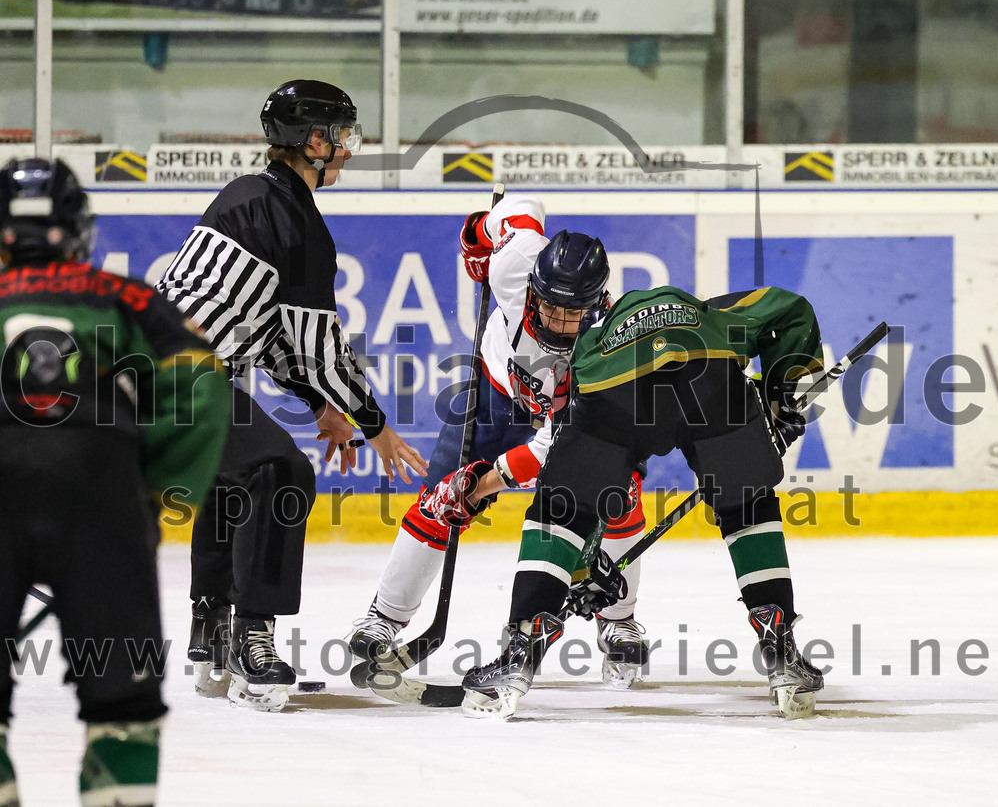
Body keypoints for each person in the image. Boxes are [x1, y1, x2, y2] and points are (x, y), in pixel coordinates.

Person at [156, 79, 427, 712]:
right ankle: (254, 633)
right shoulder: (296, 221)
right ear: (314, 142)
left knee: (238, 473)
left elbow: (268, 332)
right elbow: (317, 348)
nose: (350, 151)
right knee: (281, 472)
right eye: (344, 137)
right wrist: (374, 423)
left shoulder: (248, 197)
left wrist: (319, 407)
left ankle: (211, 628)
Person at [455, 283, 828, 720]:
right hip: (710, 378)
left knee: (561, 509)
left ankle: (520, 652)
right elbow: (792, 309)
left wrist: (586, 571)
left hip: (615, 390)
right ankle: (781, 651)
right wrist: (782, 402)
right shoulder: (714, 313)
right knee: (747, 504)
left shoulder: (589, 345)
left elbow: (598, 485)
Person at [347, 194, 651, 687]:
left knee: (618, 497)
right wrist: (478, 238)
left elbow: (552, 444)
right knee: (441, 497)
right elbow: (517, 210)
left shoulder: (604, 349)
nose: (558, 324)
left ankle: (618, 620)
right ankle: (385, 615)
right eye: (550, 307)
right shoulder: (514, 264)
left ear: (595, 305)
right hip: (493, 393)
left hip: (562, 423)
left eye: (573, 314)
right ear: (533, 286)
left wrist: (488, 481)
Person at [0, 157, 231, 806]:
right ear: (78, 231)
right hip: (97, 484)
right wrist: (154, 493)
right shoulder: (123, 294)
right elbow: (203, 386)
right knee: (121, 701)